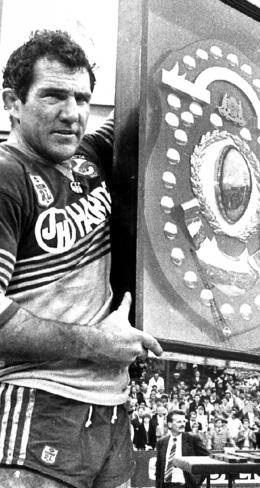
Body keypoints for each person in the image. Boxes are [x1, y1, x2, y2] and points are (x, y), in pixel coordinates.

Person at [0, 30, 163, 488]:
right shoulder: (7, 176)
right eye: (53, 96)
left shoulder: (89, 156)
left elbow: (153, 99)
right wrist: (96, 343)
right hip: (39, 402)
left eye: (82, 98)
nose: (72, 114)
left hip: (112, 409)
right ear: (13, 101)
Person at [155, 410, 210, 488]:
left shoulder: (192, 439)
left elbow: (208, 458)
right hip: (166, 485)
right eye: (179, 422)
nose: (182, 424)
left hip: (186, 485)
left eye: (184, 421)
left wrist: (197, 480)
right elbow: (159, 467)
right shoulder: (162, 442)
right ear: (170, 424)